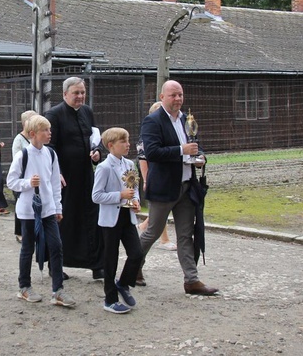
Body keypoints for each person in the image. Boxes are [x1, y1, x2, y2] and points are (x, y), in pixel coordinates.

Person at [139, 80, 218, 295]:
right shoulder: (152, 121)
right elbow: (152, 152)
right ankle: (134, 266)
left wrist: (200, 156)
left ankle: (191, 281)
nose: (178, 99)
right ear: (162, 97)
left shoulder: (186, 119)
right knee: (152, 232)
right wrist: (181, 150)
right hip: (164, 188)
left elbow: (196, 145)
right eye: (173, 95)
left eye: (180, 95)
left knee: (186, 234)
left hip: (186, 187)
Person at [6, 115, 75, 307]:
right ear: (32, 134)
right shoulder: (23, 155)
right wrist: (28, 183)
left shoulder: (51, 154)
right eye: (45, 130)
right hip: (28, 210)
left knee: (56, 246)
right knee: (28, 247)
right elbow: (11, 181)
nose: (49, 133)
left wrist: (57, 207)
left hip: (47, 210)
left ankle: (58, 290)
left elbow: (54, 184)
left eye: (49, 129)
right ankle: (24, 286)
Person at [44, 76, 105, 279]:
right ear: (64, 94)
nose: (80, 97)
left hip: (86, 176)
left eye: (82, 93)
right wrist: (56, 172)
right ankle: (56, 265)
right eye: (76, 93)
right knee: (64, 221)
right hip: (65, 179)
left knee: (92, 219)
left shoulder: (87, 112)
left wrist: (97, 153)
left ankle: (97, 264)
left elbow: (95, 139)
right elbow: (49, 147)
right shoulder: (54, 114)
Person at [92, 127, 143, 314]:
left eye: (128, 140)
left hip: (127, 215)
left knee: (137, 253)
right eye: (123, 142)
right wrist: (119, 195)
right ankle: (110, 299)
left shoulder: (130, 163)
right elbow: (96, 196)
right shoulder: (104, 167)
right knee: (110, 259)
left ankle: (123, 283)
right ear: (111, 145)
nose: (127, 144)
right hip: (110, 219)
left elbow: (134, 186)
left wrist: (135, 200)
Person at [137, 102, 176, 252]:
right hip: (155, 177)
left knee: (159, 212)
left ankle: (144, 225)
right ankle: (164, 239)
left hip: (168, 177)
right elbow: (143, 159)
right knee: (160, 212)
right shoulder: (148, 134)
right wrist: (147, 179)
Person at [11, 111, 38, 243]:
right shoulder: (18, 139)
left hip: (34, 178)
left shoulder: (36, 138)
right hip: (23, 179)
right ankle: (19, 232)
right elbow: (17, 159)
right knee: (20, 204)